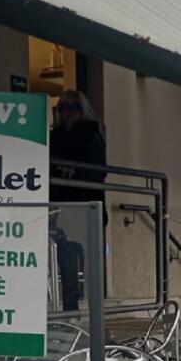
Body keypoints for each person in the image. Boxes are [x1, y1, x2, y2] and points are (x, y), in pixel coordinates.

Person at [48, 91, 107, 311]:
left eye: (74, 107)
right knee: (66, 259)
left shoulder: (91, 134)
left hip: (85, 205)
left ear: (83, 110)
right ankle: (70, 308)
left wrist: (73, 172)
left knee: (90, 260)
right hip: (61, 204)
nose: (68, 112)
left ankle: (94, 310)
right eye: (63, 107)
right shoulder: (55, 135)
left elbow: (100, 170)